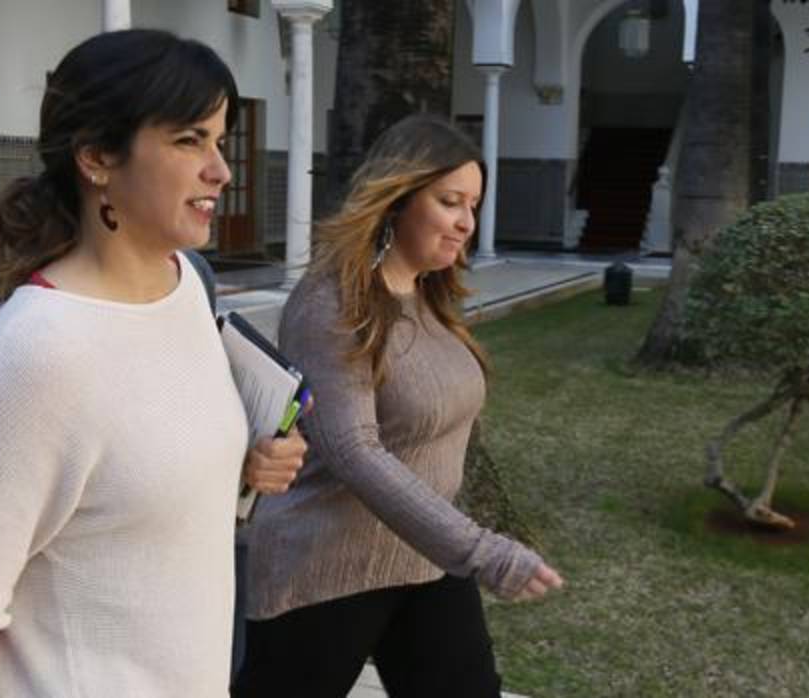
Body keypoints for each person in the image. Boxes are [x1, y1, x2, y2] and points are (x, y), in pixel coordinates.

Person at [0, 30, 305, 698]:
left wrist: (246, 466)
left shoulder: (187, 285)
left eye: (220, 141)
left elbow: (134, 477)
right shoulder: (34, 353)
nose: (221, 170)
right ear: (96, 158)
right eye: (189, 141)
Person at [233, 114, 564, 698]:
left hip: (424, 554)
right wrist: (481, 550)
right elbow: (353, 449)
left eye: (473, 206)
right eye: (449, 202)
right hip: (326, 567)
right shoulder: (332, 303)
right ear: (396, 199)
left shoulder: (428, 295)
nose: (466, 223)